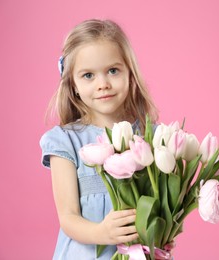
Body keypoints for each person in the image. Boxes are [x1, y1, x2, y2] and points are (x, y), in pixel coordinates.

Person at [40, 19, 159, 259]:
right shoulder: (65, 141)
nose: (103, 84)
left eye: (113, 71)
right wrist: (102, 232)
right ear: (72, 84)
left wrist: (164, 233)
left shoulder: (151, 136)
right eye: (88, 75)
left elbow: (160, 202)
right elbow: (68, 217)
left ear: (130, 74)